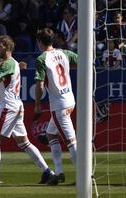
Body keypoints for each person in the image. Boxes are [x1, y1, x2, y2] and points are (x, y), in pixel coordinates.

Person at [0, 35, 54, 185]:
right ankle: (47, 172)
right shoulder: (12, 63)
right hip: (15, 106)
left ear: (7, 47)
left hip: (9, 107)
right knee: (24, 143)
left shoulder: (8, 64)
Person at [34, 28, 78, 185]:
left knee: (71, 141)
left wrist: (38, 104)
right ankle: (59, 173)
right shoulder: (64, 53)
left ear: (40, 42)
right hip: (70, 100)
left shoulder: (41, 59)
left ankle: (84, 175)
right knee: (51, 135)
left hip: (59, 105)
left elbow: (39, 85)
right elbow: (81, 60)